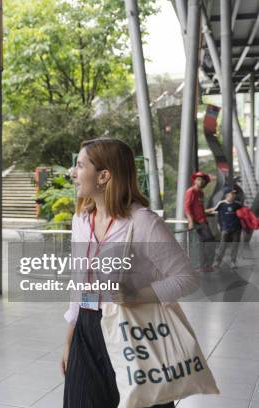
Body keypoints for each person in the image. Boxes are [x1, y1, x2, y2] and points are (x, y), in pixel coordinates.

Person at [61, 138, 198, 408]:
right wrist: (69, 340)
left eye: (79, 165)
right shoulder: (81, 220)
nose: (73, 173)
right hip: (87, 331)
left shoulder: (143, 222)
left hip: (133, 331)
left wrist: (137, 294)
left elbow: (187, 278)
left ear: (104, 176)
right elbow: (78, 284)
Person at [184, 171, 215, 272]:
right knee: (209, 241)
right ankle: (204, 265)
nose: (201, 182)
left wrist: (207, 211)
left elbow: (198, 208)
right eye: (199, 180)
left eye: (203, 180)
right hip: (198, 222)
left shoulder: (201, 193)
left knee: (204, 243)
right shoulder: (191, 191)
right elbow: (186, 207)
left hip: (203, 220)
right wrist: (190, 220)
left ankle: (204, 266)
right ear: (195, 181)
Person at [207, 186, 242, 268]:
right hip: (225, 228)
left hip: (236, 228)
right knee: (222, 245)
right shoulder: (221, 203)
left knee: (235, 245)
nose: (233, 195)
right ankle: (217, 262)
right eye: (231, 194)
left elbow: (244, 213)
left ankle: (233, 262)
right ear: (227, 195)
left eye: (234, 194)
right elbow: (214, 209)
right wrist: (203, 211)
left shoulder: (237, 204)